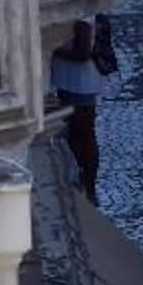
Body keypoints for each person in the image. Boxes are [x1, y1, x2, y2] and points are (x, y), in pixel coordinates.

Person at [47, 19, 110, 204]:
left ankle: (89, 186)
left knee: (83, 132)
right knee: (76, 132)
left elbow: (82, 52)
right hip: (69, 79)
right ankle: (83, 180)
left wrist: (52, 49)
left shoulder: (83, 17)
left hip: (80, 81)